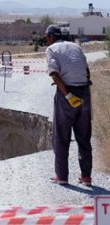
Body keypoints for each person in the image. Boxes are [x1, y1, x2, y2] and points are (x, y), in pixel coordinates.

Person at [45, 24, 93, 186]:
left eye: (47, 37)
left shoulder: (51, 49)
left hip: (67, 93)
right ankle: (86, 177)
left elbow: (54, 73)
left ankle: (62, 176)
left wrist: (68, 95)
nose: (46, 40)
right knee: (84, 136)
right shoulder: (76, 47)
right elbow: (86, 71)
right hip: (85, 91)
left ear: (50, 36)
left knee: (61, 136)